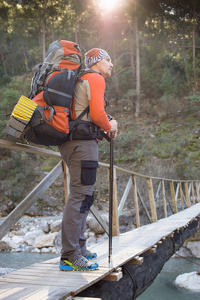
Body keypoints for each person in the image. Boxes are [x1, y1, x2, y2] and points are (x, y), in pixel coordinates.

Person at [59, 48, 118, 271]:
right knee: (80, 197)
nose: (111, 64)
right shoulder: (95, 77)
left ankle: (79, 248)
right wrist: (110, 125)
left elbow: (89, 112)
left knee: (84, 197)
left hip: (72, 143)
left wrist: (107, 121)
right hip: (82, 145)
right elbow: (96, 114)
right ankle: (69, 256)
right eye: (108, 59)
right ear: (96, 62)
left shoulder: (81, 79)